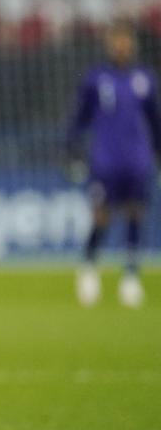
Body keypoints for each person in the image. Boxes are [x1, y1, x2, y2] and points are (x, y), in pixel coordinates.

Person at [67, 22, 161, 308]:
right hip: (105, 159)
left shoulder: (145, 79)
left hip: (137, 160)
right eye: (116, 40)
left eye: (125, 40)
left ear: (132, 44)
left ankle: (131, 277)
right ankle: (89, 268)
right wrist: (71, 150)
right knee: (101, 215)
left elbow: (156, 122)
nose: (121, 46)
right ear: (109, 44)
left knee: (135, 214)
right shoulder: (96, 79)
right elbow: (79, 118)